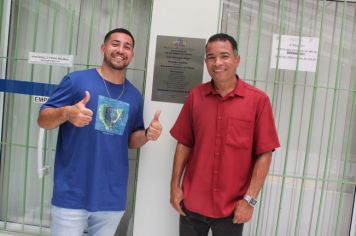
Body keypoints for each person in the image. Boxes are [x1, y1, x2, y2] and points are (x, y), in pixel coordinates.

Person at [37, 28, 162, 236]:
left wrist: (148, 134)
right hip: (72, 194)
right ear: (103, 48)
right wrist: (67, 113)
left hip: (111, 198)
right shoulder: (76, 81)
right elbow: (43, 119)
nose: (121, 50)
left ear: (132, 55)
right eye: (115, 44)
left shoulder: (133, 96)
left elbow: (131, 139)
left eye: (127, 46)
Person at [170, 33, 280, 236]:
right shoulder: (196, 96)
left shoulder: (258, 101)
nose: (217, 63)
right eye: (211, 57)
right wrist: (175, 186)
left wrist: (250, 200)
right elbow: (184, 143)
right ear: (206, 62)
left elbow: (265, 154)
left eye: (224, 56)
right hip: (192, 204)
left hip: (232, 208)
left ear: (237, 59)